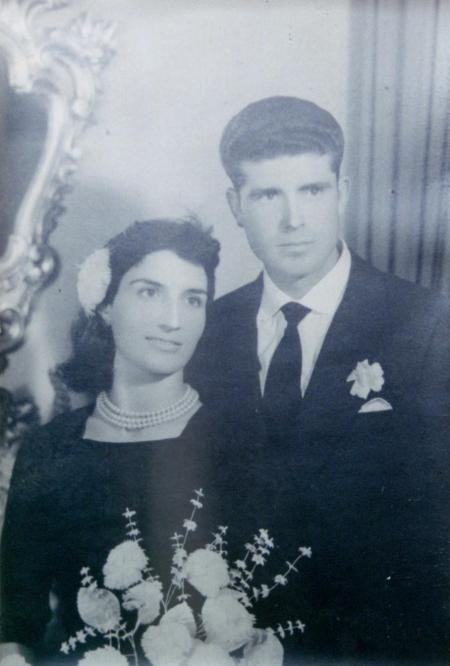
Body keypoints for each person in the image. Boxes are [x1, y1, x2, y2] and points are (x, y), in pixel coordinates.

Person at [187, 96, 450, 663]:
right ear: (236, 205)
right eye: (267, 195)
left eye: (312, 190)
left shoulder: (429, 325)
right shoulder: (207, 333)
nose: (294, 220)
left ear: (342, 192)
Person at [0, 218, 256, 664]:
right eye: (149, 292)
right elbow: (13, 626)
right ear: (103, 304)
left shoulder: (243, 442)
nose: (173, 320)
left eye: (192, 299)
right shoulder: (50, 449)